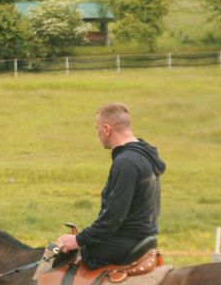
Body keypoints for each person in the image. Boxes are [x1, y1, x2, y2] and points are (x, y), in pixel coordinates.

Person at [56, 102, 166, 269]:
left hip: (124, 243)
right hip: (143, 239)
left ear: (107, 129)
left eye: (97, 128)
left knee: (61, 262)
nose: (97, 134)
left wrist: (78, 240)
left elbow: (114, 217)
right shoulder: (144, 157)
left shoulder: (126, 162)